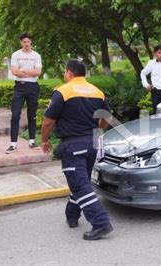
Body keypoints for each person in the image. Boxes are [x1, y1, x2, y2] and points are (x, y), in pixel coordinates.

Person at [41, 59, 113, 241]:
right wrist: (98, 130)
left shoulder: (63, 91)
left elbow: (48, 120)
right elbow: (106, 118)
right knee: (80, 182)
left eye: (65, 72)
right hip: (91, 145)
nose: (64, 75)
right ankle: (72, 215)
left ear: (69, 73)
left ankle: (100, 223)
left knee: (80, 185)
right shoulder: (97, 92)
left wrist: (43, 139)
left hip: (73, 146)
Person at [6, 32, 42, 154]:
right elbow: (15, 72)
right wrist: (29, 71)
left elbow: (37, 72)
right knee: (15, 115)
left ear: (31, 42)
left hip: (33, 87)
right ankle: (13, 143)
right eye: (24, 42)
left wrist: (23, 70)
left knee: (32, 115)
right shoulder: (16, 54)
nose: (26, 44)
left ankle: (32, 140)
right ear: (21, 42)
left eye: (28, 41)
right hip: (19, 87)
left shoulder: (36, 55)